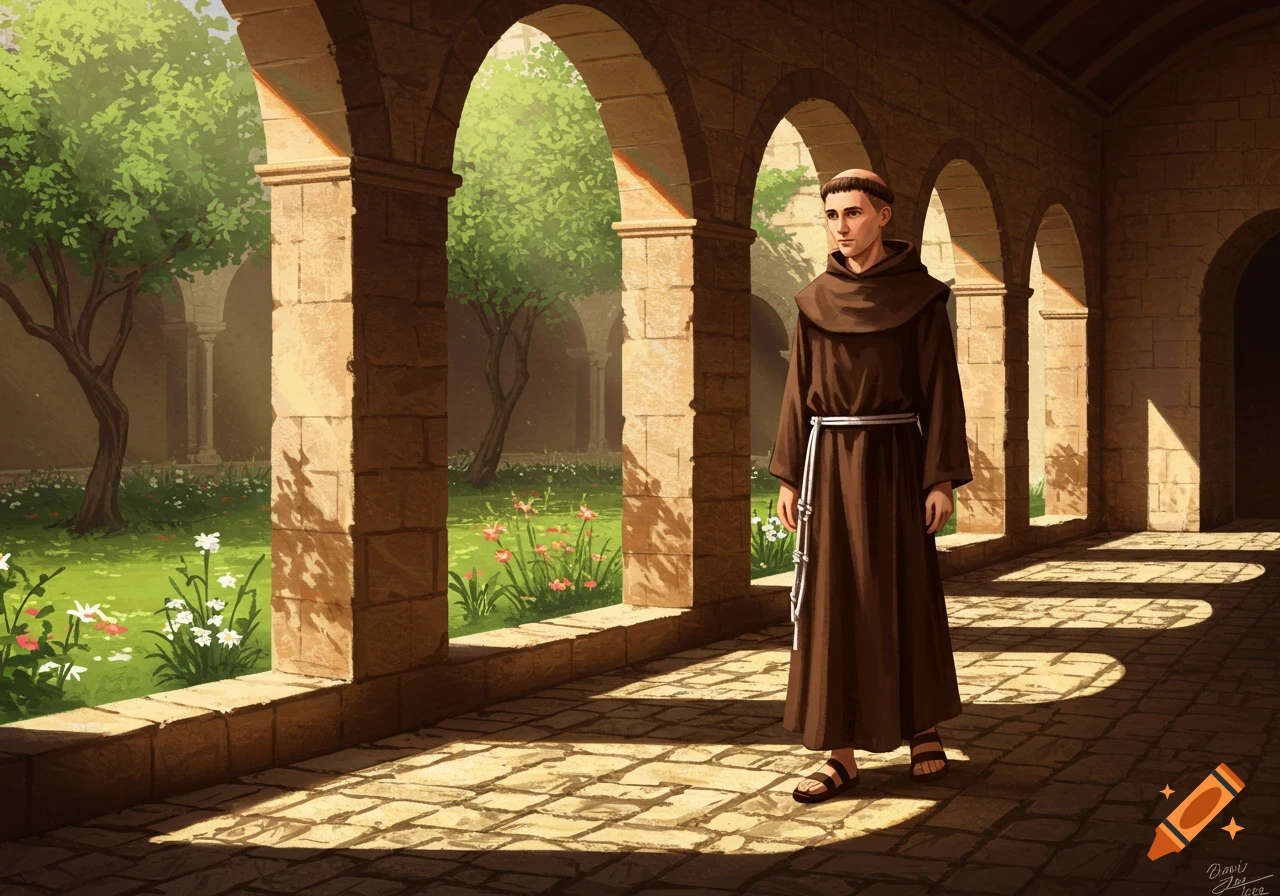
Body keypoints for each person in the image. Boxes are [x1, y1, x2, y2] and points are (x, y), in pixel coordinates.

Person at [769, 168, 973, 803]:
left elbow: (941, 390)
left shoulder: (922, 299)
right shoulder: (812, 300)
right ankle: (840, 754)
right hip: (829, 465)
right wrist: (788, 473)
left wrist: (940, 478)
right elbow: (797, 390)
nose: (841, 227)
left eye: (853, 213)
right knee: (834, 601)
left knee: (903, 590)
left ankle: (923, 730)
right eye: (832, 215)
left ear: (883, 216)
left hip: (896, 464)